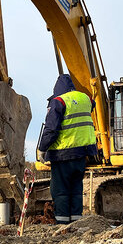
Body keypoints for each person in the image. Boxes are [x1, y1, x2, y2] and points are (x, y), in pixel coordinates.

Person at [37, 74, 99, 223]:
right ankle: (76, 223)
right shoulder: (85, 99)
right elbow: (92, 105)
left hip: (62, 154)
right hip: (81, 153)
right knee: (76, 189)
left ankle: (63, 224)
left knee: (61, 191)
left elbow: (51, 129)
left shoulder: (58, 102)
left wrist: (42, 148)